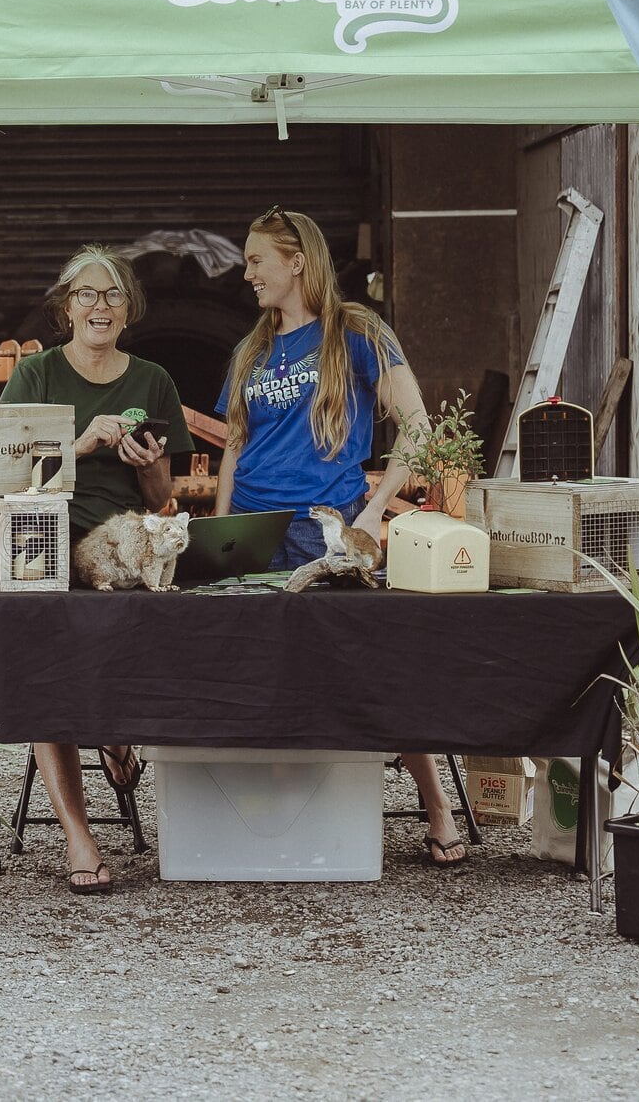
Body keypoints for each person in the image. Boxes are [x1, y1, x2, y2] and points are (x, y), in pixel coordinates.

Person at [212, 207, 469, 867]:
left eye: (255, 259)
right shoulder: (251, 351)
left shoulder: (355, 331)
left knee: (370, 665)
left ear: (296, 261)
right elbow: (233, 451)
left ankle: (436, 806)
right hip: (253, 532)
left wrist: (375, 509)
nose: (247, 273)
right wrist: (217, 534)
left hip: (327, 533)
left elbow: (416, 427)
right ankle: (277, 818)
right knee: (256, 674)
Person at [0, 245, 193, 893]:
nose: (100, 306)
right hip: (45, 544)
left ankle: (115, 724)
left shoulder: (154, 380)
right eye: (86, 293)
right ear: (65, 305)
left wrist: (147, 465)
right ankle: (80, 838)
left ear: (128, 307)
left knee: (163, 625)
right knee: (43, 668)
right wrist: (78, 445)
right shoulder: (36, 377)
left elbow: (162, 497)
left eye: (112, 294)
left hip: (126, 547)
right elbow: (6, 479)